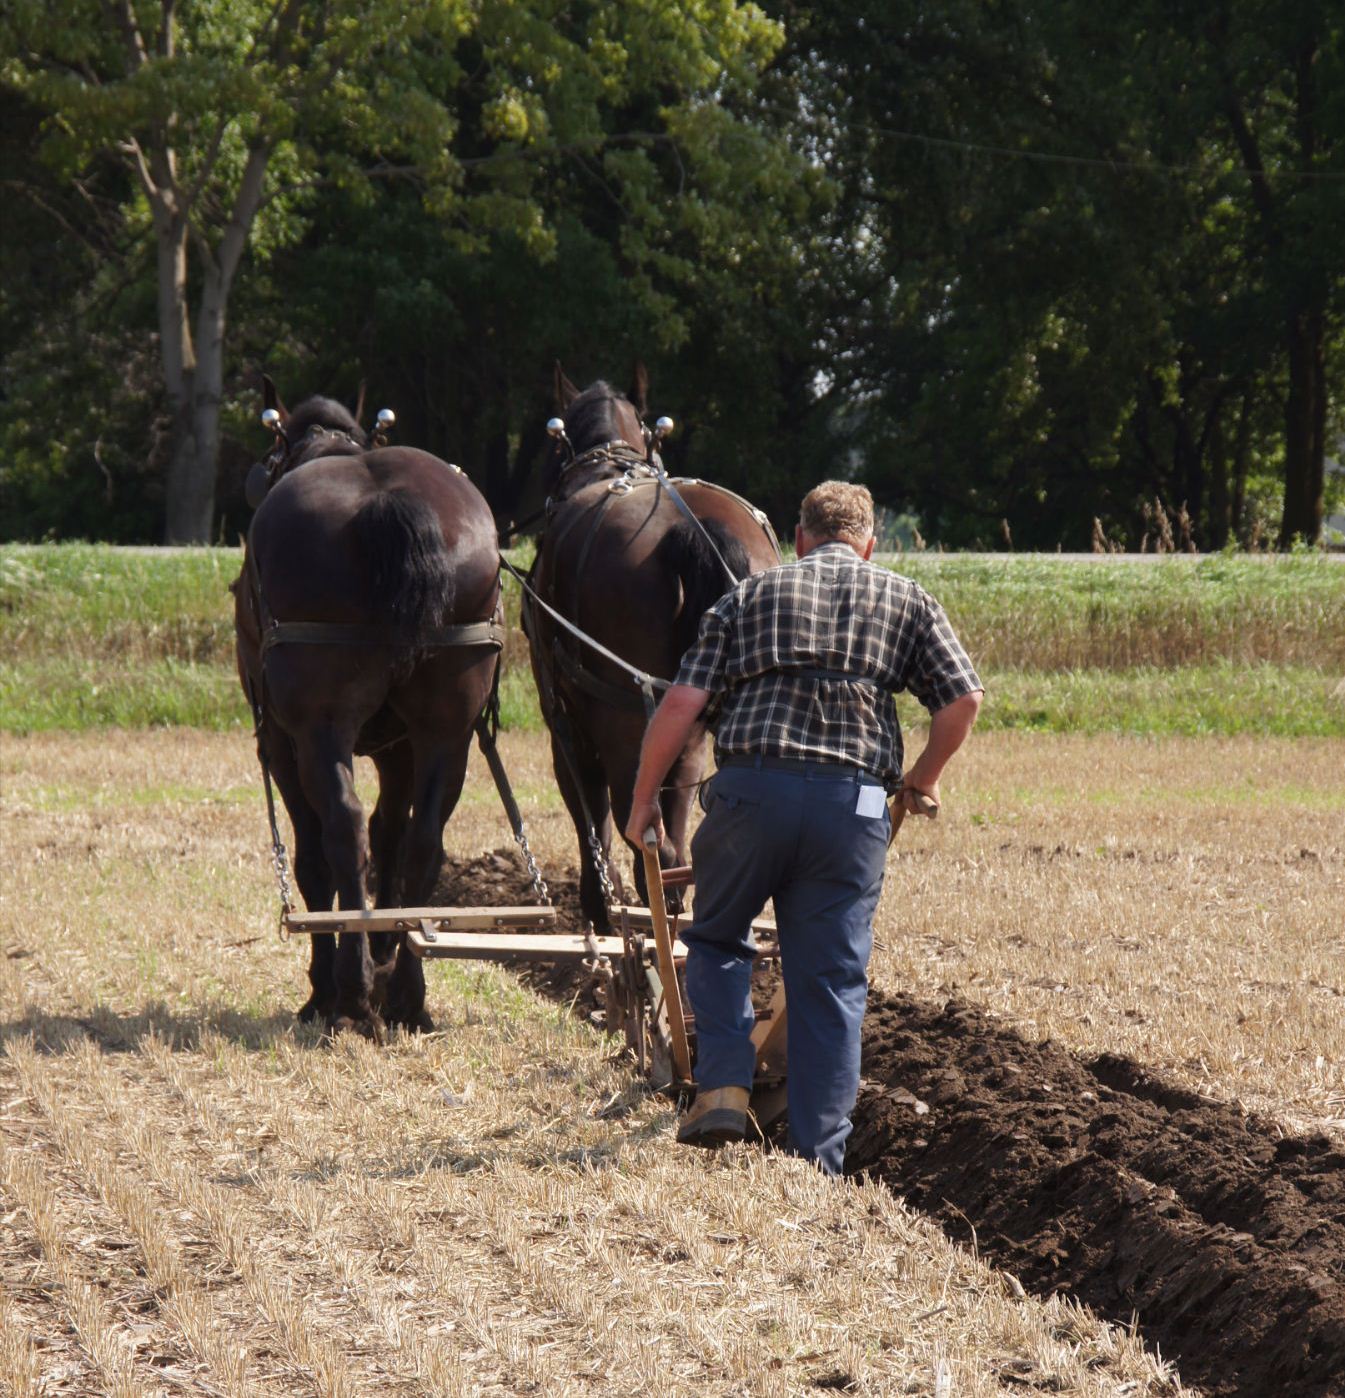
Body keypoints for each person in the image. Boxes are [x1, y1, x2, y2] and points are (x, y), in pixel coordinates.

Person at [624, 481, 983, 1175]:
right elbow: (962, 699)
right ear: (869, 545)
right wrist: (924, 775)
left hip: (751, 796)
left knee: (716, 938)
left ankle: (723, 1085)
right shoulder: (907, 599)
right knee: (830, 981)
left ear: (797, 540)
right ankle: (816, 1162)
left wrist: (644, 799)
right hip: (852, 808)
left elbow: (682, 705)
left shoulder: (748, 596)